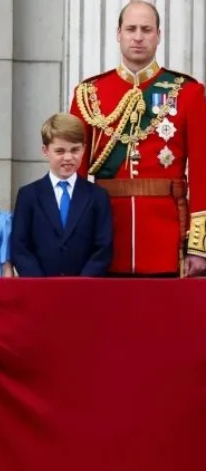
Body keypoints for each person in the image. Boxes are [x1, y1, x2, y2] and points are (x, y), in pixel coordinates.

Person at [69, 0, 206, 277]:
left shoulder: (188, 93)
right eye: (131, 29)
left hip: (166, 238)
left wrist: (198, 246)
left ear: (159, 36)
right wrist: (77, 237)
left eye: (146, 29)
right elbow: (76, 174)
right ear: (118, 34)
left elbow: (202, 171)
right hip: (105, 236)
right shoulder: (90, 93)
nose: (138, 36)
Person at [10, 114, 113, 277]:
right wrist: (40, 284)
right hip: (40, 290)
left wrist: (82, 283)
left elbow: (103, 247)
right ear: (45, 151)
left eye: (74, 150)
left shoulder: (97, 196)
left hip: (83, 290)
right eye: (59, 151)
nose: (68, 157)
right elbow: (20, 247)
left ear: (84, 149)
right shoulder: (28, 195)